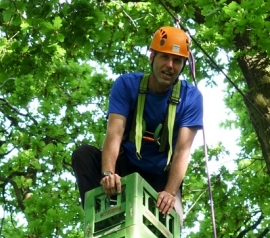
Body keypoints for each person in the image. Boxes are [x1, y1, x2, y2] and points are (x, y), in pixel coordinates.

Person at [72, 26, 203, 225]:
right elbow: (115, 133)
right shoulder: (127, 85)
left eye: (177, 61)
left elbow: (182, 151)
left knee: (172, 225)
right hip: (125, 166)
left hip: (161, 177)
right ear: (152, 56)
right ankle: (103, 221)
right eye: (164, 57)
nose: (170, 65)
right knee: (83, 156)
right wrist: (108, 173)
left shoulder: (190, 97)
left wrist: (169, 192)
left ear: (183, 65)